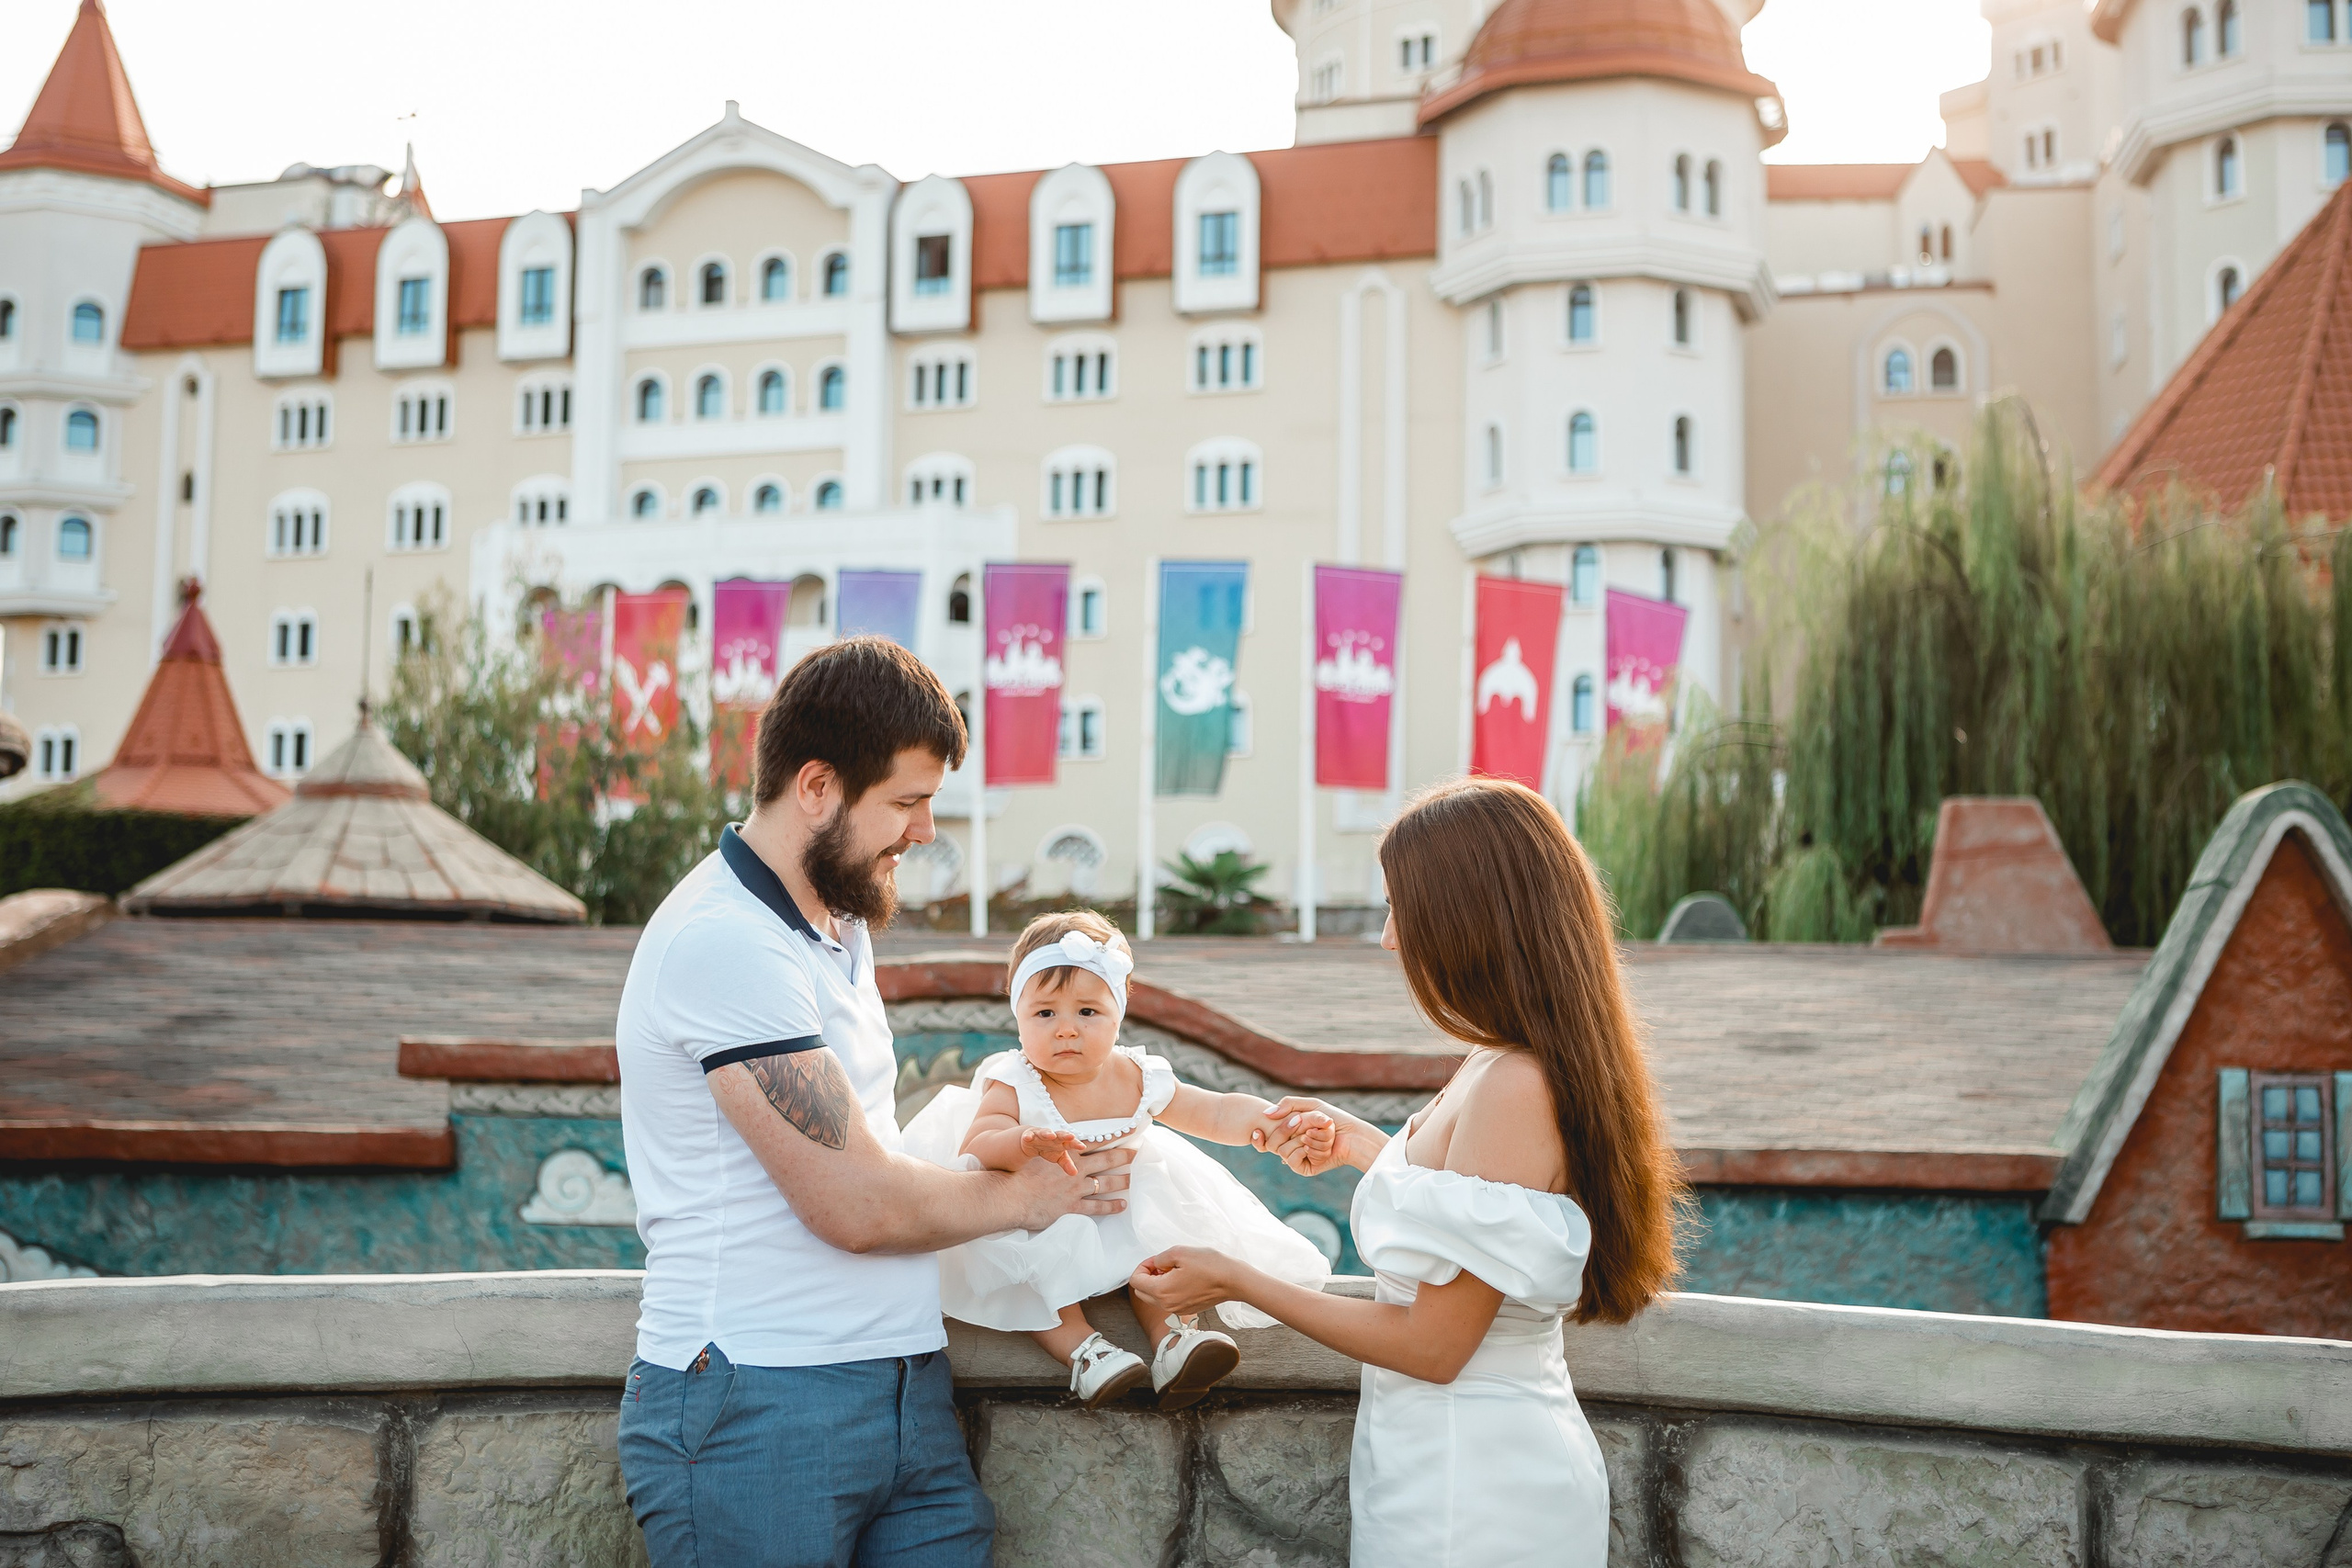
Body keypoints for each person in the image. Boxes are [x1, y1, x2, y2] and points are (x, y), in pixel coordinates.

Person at [614, 637, 1135, 1568]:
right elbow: (854, 1203)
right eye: (905, 802)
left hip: (903, 1387)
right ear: (815, 787)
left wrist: (992, 1156)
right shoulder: (726, 942)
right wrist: (1028, 1199)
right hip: (758, 1404)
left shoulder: (837, 920)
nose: (926, 831)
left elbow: (870, 1152)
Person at [1130, 777, 1686, 1568]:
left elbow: (1436, 1343)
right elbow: (1459, 1204)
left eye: (1402, 909)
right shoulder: (1496, 1061)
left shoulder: (1513, 1083)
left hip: (1479, 1481)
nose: (1391, 937)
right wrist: (1361, 1144)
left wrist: (1241, 1279)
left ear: (1467, 919)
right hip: (1439, 1457)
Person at [900, 909, 1335, 1408]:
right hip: (1046, 1215)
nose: (1066, 1030)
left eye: (1087, 1012)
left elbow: (1212, 1111)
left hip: (1125, 1205)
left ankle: (1173, 1337)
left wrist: (1269, 1122)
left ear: (1120, 1010)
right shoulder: (1015, 1079)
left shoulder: (1137, 1074)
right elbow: (979, 1142)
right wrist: (1021, 1141)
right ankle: (1084, 1353)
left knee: (1166, 1248)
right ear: (1017, 1014)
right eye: (1045, 1014)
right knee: (1027, 1266)